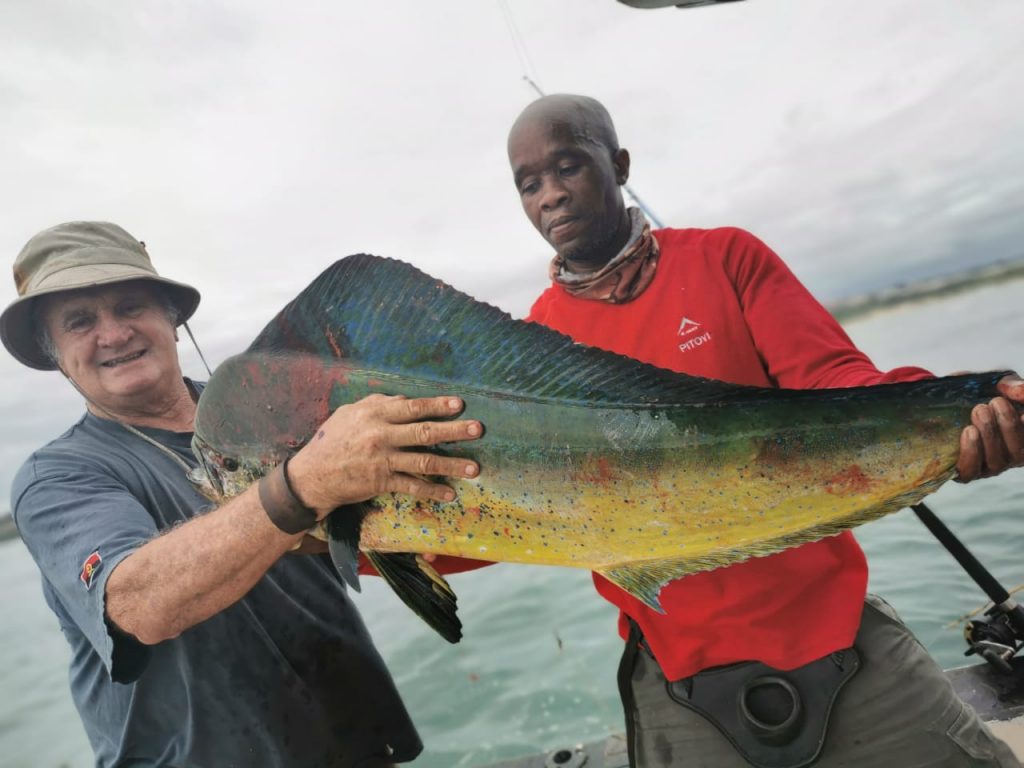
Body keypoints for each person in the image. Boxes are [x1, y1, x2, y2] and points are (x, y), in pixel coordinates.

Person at [507, 94, 1024, 767]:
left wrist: (966, 412)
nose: (550, 195)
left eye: (568, 165)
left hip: (832, 624)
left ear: (620, 163)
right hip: (676, 665)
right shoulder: (535, 345)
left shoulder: (726, 257)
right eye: (529, 182)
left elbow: (836, 382)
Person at [1, 221, 486, 767]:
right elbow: (136, 604)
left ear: (173, 319)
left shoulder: (274, 411)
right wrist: (302, 485)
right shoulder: (56, 477)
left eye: (131, 306)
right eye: (80, 322)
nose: (113, 334)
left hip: (356, 745)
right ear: (57, 356)